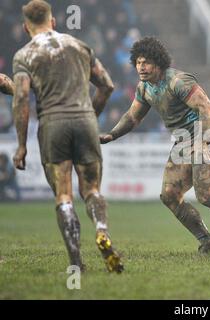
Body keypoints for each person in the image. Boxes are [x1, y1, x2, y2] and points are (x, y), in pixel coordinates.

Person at [99, 36, 210, 254]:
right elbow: (132, 117)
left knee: (208, 197)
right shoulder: (145, 88)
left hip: (207, 137)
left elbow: (207, 108)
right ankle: (208, 242)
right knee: (170, 195)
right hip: (184, 142)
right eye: (138, 62)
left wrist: (200, 141)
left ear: (158, 63)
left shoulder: (178, 81)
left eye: (146, 62)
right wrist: (112, 135)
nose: (141, 67)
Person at [12, 0, 123, 273]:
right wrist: (90, 116)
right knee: (92, 189)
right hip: (84, 119)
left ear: (26, 28)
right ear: (53, 22)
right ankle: (102, 231)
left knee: (64, 194)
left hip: (53, 124)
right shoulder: (78, 45)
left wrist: (22, 145)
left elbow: (22, 99)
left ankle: (76, 262)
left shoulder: (24, 56)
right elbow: (107, 85)